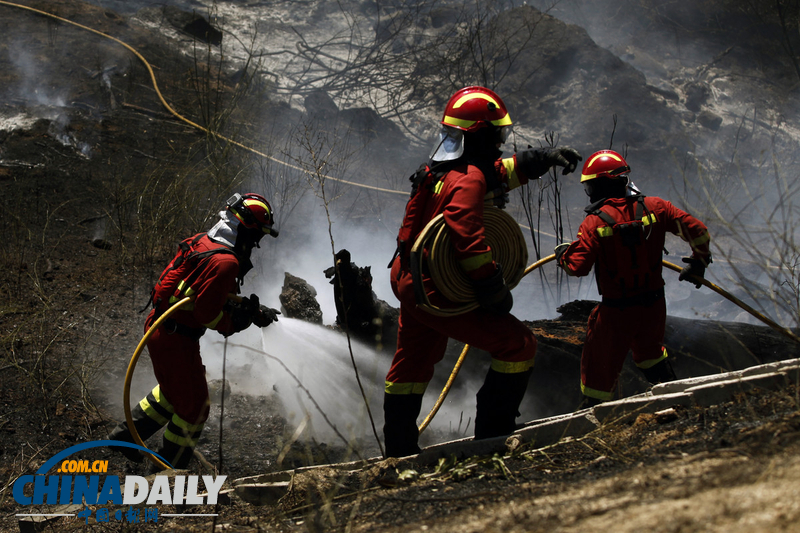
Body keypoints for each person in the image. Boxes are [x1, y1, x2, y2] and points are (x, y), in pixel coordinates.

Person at [383, 86, 583, 457]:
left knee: (411, 365)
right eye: (497, 134)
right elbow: (467, 238)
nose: (501, 142)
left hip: (410, 279)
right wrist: (492, 289)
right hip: (436, 287)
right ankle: (493, 437)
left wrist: (544, 158)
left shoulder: (437, 170)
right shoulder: (468, 178)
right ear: (479, 135)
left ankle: (397, 453)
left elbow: (497, 173)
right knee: (517, 345)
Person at [108, 193, 281, 469]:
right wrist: (238, 322)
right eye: (257, 236)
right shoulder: (227, 262)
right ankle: (168, 469)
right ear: (246, 230)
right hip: (175, 338)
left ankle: (125, 437)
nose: (256, 245)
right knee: (194, 409)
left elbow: (206, 292)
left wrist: (251, 312)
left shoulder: (206, 242)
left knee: (173, 392)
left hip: (163, 328)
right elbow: (207, 313)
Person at [553, 150, 712, 406]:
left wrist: (563, 254)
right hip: (654, 305)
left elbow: (577, 267)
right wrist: (699, 261)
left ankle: (593, 418)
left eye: (590, 186)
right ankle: (676, 402)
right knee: (651, 354)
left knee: (599, 367)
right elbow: (699, 230)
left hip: (617, 311)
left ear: (600, 185)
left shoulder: (594, 222)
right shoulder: (656, 207)